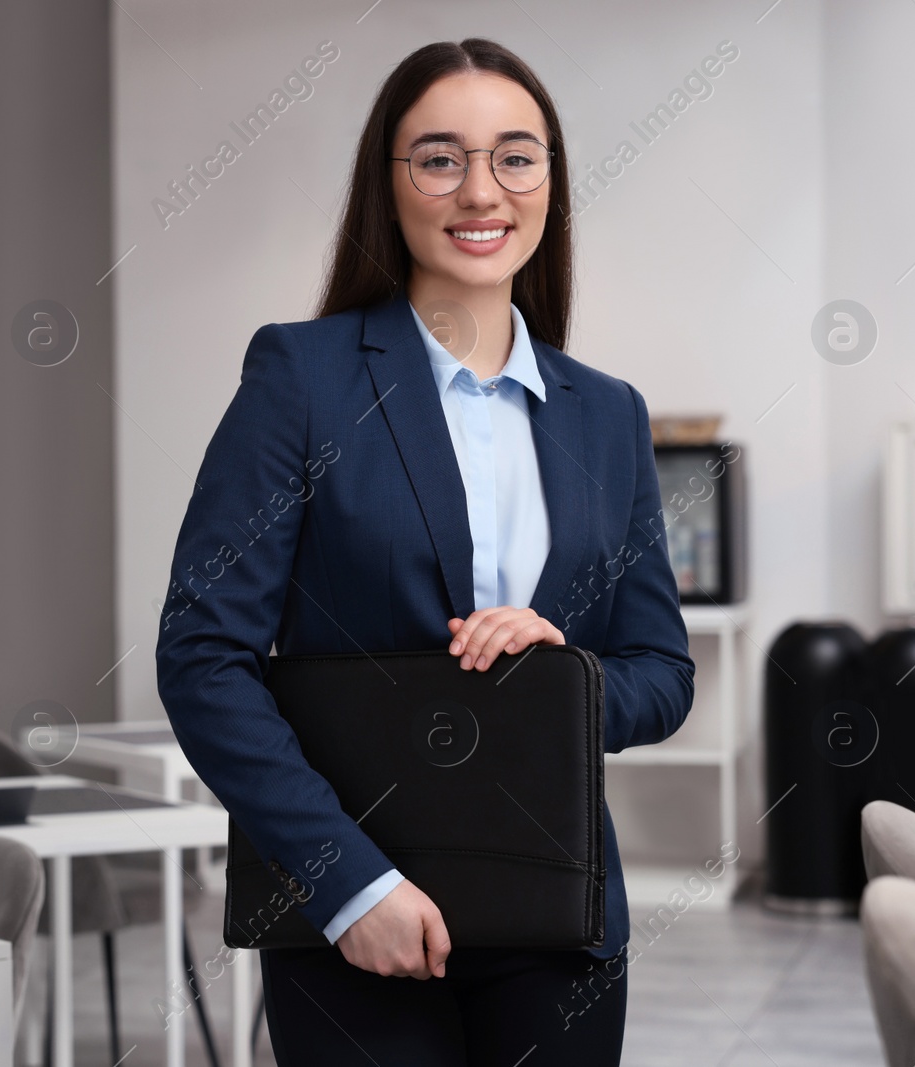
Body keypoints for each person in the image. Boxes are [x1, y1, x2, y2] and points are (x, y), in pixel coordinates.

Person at [154, 37, 695, 1066]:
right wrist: (347, 881)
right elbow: (202, 657)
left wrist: (564, 672)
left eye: (516, 157)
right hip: (357, 924)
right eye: (440, 157)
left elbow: (660, 676)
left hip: (558, 918)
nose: (480, 190)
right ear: (388, 184)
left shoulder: (609, 415)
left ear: (550, 183)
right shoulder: (300, 377)